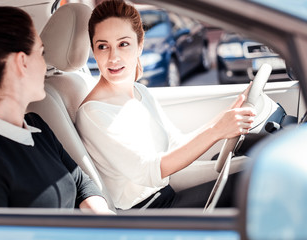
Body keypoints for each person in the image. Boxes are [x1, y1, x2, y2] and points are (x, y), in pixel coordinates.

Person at [75, 0, 256, 210]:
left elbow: (176, 143)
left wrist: (227, 116)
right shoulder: (94, 112)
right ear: (94, 51)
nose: (113, 57)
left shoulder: (139, 91)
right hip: (148, 210)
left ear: (140, 45)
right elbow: (149, 171)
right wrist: (217, 130)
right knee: (250, 185)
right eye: (103, 46)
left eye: (123, 44)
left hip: (167, 191)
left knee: (253, 172)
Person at [0, 6, 112, 214]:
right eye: (41, 53)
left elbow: (81, 183)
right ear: (21, 62)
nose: (45, 66)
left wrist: (106, 223)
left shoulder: (37, 126)